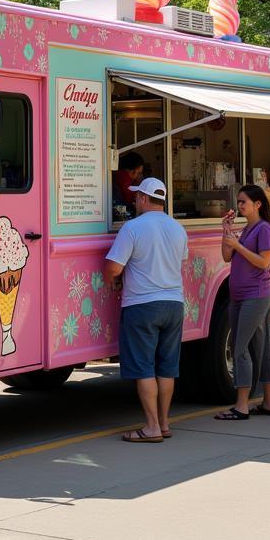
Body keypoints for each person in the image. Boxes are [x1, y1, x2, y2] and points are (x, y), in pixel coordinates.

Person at [104, 177, 188, 442]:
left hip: (141, 305)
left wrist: (113, 281)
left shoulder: (132, 228)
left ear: (142, 198)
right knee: (167, 367)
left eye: (136, 196)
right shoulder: (178, 229)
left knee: (143, 368)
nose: (134, 200)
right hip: (174, 304)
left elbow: (114, 267)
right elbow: (180, 262)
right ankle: (164, 423)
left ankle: (150, 427)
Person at [215, 184, 270, 420]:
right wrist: (227, 232)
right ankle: (268, 402)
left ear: (257, 204)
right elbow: (226, 256)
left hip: (256, 296)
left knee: (240, 348)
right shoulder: (247, 228)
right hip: (240, 296)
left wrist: (238, 246)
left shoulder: (263, 229)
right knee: (260, 348)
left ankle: (241, 405)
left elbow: (264, 262)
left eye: (244, 202)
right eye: (239, 201)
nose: (240, 205)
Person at [111, 151, 145, 218]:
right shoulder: (123, 177)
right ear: (133, 171)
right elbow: (129, 198)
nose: (139, 176)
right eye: (139, 173)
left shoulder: (120, 175)